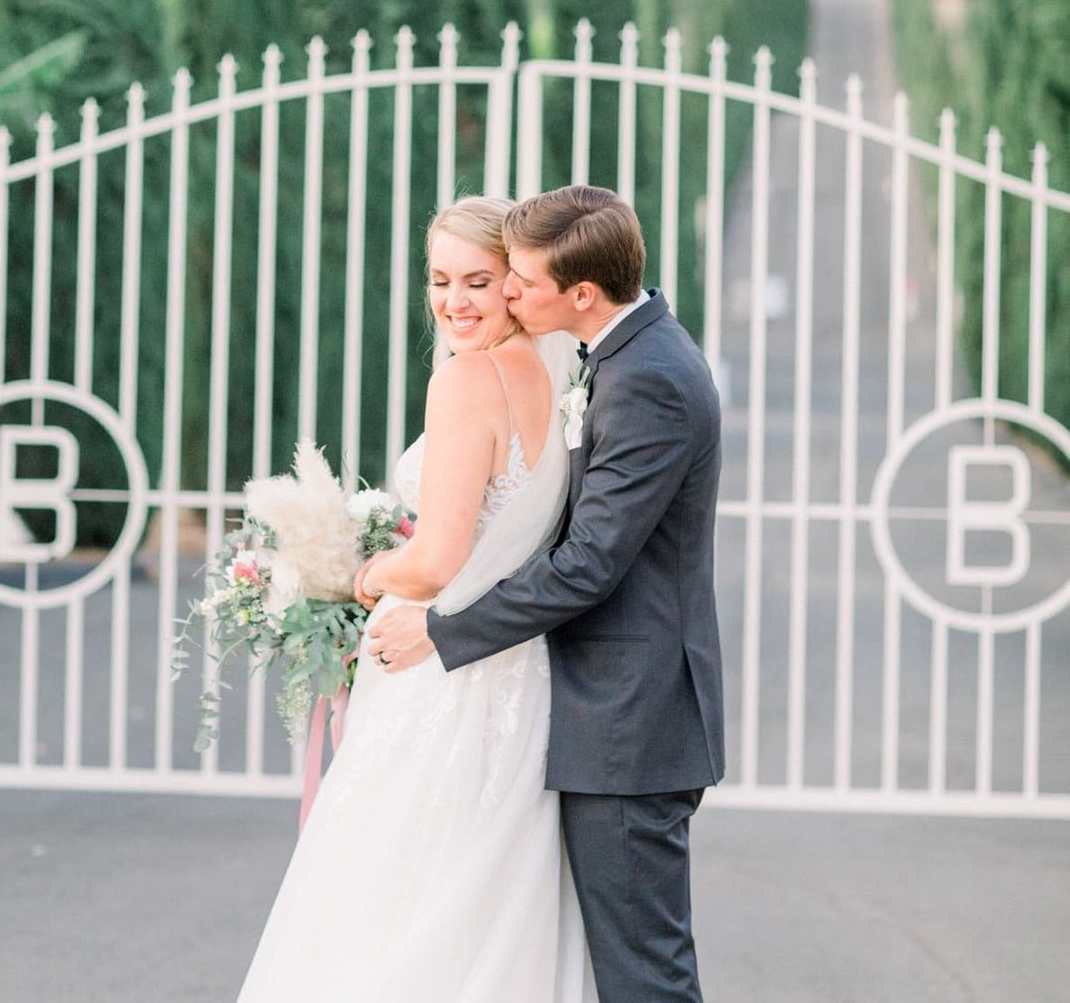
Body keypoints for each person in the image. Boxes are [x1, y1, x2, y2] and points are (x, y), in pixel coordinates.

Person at [367, 184, 725, 1003]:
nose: (510, 296)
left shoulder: (650, 380)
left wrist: (441, 629)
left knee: (646, 976)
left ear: (582, 293)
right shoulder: (625, 359)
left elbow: (590, 564)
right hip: (600, 709)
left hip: (630, 721)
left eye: (517, 281)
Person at [234, 196, 597, 1003]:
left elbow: (436, 562)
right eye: (439, 280)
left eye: (478, 280)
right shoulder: (551, 372)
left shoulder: (470, 380)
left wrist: (353, 576)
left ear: (517, 285)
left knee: (387, 905)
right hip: (522, 683)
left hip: (442, 678)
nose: (454, 301)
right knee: (495, 908)